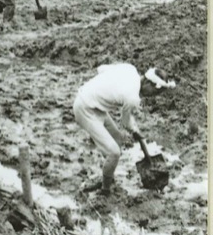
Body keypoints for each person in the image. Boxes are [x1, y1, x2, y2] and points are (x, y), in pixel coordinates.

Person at [73, 64, 174, 195]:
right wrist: (135, 131)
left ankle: (108, 175)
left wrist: (103, 90)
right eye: (154, 92)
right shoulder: (132, 97)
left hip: (95, 104)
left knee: (117, 139)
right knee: (114, 153)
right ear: (148, 83)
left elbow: (101, 69)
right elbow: (125, 122)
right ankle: (105, 190)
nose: (152, 96)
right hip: (85, 108)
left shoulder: (130, 69)